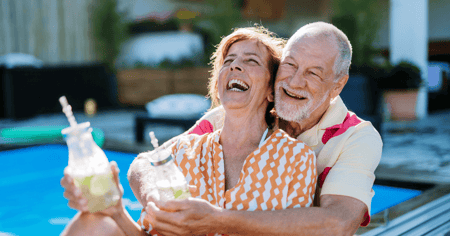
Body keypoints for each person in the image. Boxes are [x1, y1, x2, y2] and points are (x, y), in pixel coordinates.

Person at [127, 21, 382, 235]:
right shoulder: (234, 115)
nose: (294, 81)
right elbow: (147, 163)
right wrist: (156, 203)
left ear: (337, 86)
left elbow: (338, 223)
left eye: (313, 73)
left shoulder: (357, 137)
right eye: (290, 65)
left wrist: (217, 219)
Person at [60, 26, 317, 236]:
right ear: (217, 87)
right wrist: (116, 211)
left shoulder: (295, 159)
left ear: (272, 90)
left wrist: (217, 221)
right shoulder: (183, 153)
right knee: (93, 222)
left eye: (251, 61)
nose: (234, 67)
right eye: (228, 61)